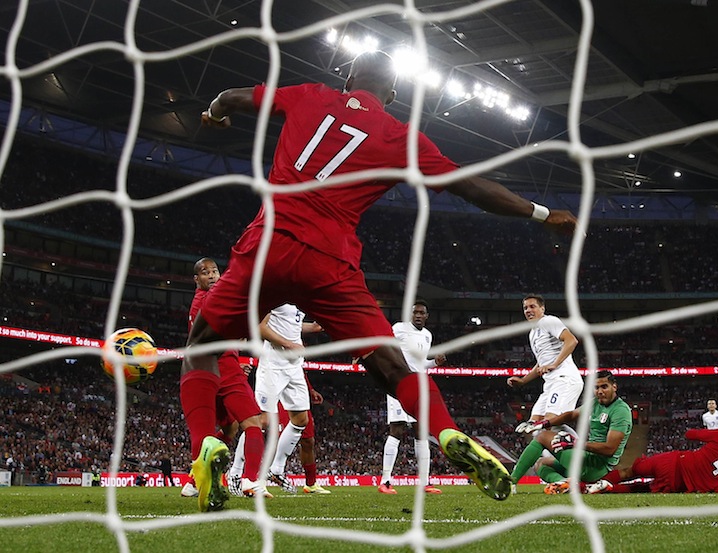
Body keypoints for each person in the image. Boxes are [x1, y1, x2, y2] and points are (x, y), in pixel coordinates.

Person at [184, 49, 577, 509]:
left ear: (349, 77)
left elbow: (231, 96)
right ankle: (446, 429)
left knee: (202, 345)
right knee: (392, 366)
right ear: (391, 94)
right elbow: (471, 185)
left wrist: (214, 114)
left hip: (267, 243)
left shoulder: (309, 95)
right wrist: (542, 213)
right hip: (330, 263)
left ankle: (204, 446)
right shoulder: (399, 135)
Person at [181, 257, 271, 511]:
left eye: (214, 271)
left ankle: (193, 479)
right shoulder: (209, 299)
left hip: (205, 368)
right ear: (196, 279)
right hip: (224, 369)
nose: (211, 275)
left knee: (228, 430)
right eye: (204, 272)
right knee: (255, 423)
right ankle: (250, 481)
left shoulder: (200, 302)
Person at [229, 303, 321, 495]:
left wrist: (311, 327)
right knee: (260, 421)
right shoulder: (277, 293)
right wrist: (288, 344)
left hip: (294, 367)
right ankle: (236, 474)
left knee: (300, 420)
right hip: (273, 366)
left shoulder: (298, 295)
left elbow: (289, 323)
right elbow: (260, 327)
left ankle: (276, 470)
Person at [510, 370, 632, 494]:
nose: (600, 391)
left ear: (614, 387)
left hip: (596, 467)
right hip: (587, 462)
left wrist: (576, 443)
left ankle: (511, 482)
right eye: (596, 388)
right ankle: (566, 484)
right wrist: (545, 423)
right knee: (541, 463)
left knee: (543, 436)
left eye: (604, 387)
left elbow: (609, 449)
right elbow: (573, 415)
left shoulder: (620, 411)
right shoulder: (596, 402)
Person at [586, 419, 718, 494]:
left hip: (674, 462)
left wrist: (715, 435)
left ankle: (588, 487)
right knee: (643, 489)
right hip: (681, 485)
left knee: (628, 472)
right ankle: (595, 491)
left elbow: (690, 434)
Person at [379, 300, 446, 495]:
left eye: (421, 312)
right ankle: (386, 481)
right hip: (398, 384)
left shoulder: (427, 335)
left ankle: (425, 482)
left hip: (418, 386)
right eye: (415, 312)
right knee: (397, 429)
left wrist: (434, 362)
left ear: (427, 316)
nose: (418, 315)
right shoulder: (399, 329)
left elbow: (420, 364)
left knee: (421, 432)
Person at [507, 295, 582, 438]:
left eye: (532, 306)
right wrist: (523, 381)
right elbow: (540, 364)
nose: (528, 310)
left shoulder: (549, 321)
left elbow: (571, 341)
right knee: (534, 426)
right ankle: (544, 458)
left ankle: (579, 450)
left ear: (542, 308)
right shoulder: (532, 333)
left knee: (549, 424)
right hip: (550, 384)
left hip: (565, 379)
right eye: (525, 308)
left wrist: (555, 364)